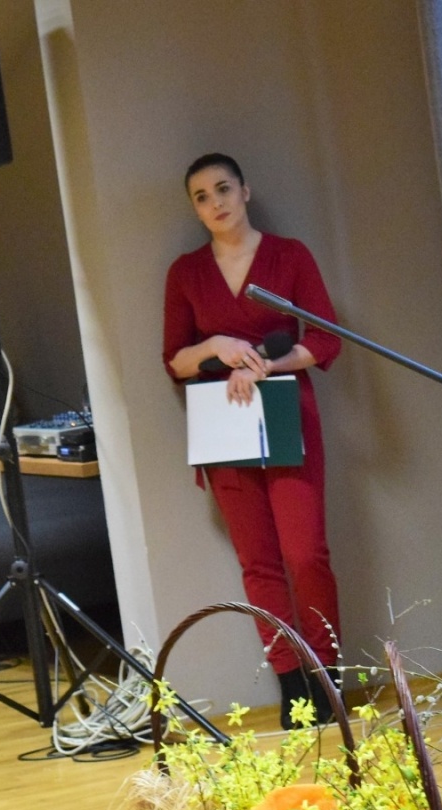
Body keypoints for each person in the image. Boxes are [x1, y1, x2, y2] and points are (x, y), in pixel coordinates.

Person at [162, 152, 343, 728]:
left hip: (286, 413)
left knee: (305, 554)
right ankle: (293, 688)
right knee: (259, 564)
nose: (215, 203)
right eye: (202, 196)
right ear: (195, 209)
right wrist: (216, 344)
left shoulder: (289, 256)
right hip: (223, 422)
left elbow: (326, 339)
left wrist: (270, 363)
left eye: (223, 189)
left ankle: (327, 678)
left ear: (245, 190)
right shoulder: (185, 273)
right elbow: (174, 361)